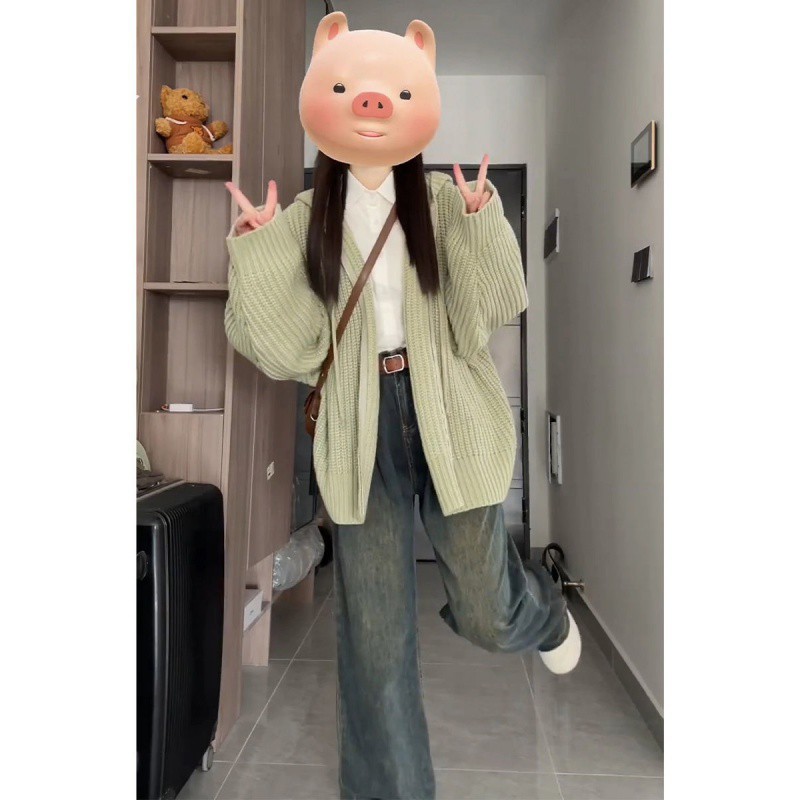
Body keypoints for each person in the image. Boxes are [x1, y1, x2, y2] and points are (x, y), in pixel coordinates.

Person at [224, 12, 581, 800]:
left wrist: (484, 225)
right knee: (375, 644)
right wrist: (260, 249)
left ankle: (544, 614)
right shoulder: (303, 221)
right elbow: (286, 350)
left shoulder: (447, 204)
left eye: (392, 91)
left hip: (449, 412)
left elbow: (493, 307)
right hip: (361, 426)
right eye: (350, 86)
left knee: (487, 610)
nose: (371, 102)